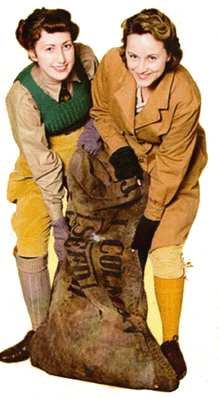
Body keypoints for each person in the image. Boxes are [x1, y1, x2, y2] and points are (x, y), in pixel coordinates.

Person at [90, 8, 207, 380]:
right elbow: (101, 110)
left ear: (170, 55)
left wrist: (150, 221)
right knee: (102, 240)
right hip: (124, 157)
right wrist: (119, 151)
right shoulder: (112, 62)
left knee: (164, 250)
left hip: (172, 170)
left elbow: (173, 164)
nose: (140, 67)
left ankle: (169, 339)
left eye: (152, 57)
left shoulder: (186, 94)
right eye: (133, 55)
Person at [0, 7, 100, 364]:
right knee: (29, 233)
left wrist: (93, 134)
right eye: (49, 49)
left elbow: (103, 108)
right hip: (41, 157)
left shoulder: (86, 60)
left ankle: (96, 329)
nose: (61, 57)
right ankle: (41, 333)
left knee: (96, 233)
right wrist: (57, 220)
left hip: (89, 148)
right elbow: (40, 162)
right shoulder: (22, 96)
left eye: (66, 45)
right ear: (32, 53)